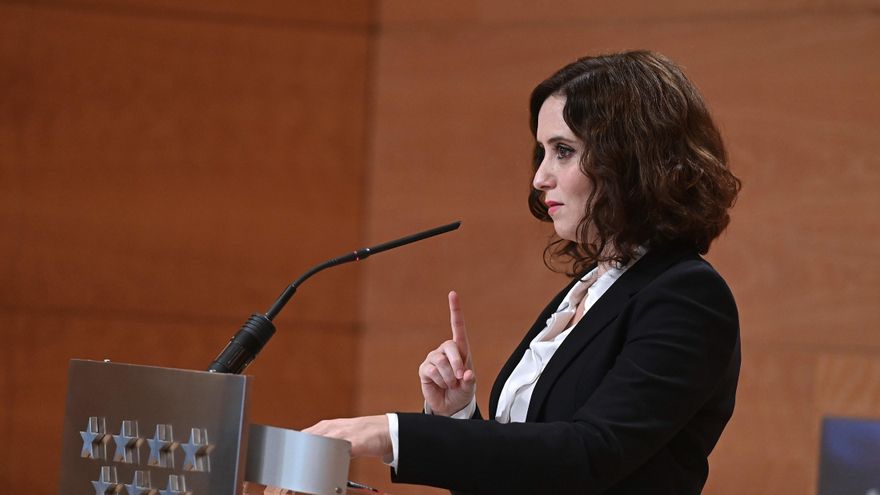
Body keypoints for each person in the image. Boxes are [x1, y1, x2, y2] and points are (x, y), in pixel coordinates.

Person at [304, 50, 742, 495]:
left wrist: (392, 435)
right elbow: (532, 471)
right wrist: (459, 415)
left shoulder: (687, 295)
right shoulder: (591, 288)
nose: (539, 177)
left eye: (563, 151)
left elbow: (590, 454)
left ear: (632, 159)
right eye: (542, 152)